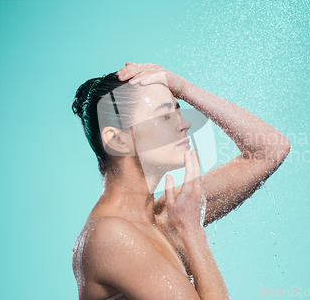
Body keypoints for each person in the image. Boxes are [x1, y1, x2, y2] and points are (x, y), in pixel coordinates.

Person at [71, 63, 291, 300]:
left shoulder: (164, 216)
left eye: (178, 110)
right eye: (166, 115)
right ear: (117, 140)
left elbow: (270, 150)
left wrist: (184, 88)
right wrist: (192, 231)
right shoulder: (110, 236)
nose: (185, 124)